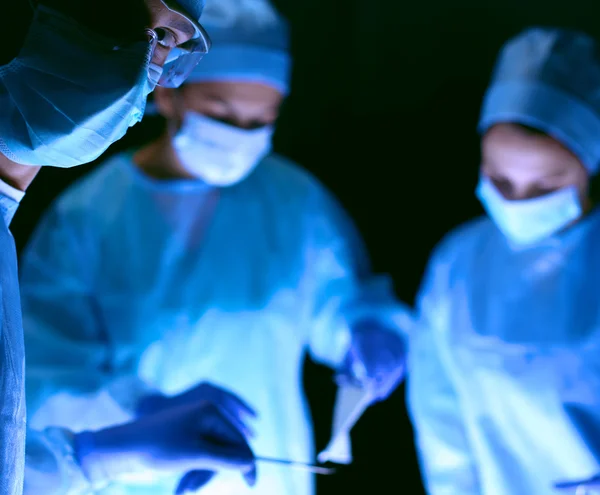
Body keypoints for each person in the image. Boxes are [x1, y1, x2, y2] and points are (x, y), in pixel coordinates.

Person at [19, 1, 409, 494]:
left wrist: (364, 332)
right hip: (131, 474)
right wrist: (139, 409)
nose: (239, 136)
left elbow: (338, 303)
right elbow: (49, 367)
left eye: (259, 120)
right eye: (220, 113)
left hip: (265, 474)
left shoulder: (294, 201)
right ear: (168, 95)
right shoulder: (90, 216)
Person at [1, 1, 258, 494]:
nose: (133, 58)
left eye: (164, 39)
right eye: (113, 16)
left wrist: (91, 459)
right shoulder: (90, 213)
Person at [407, 27, 600, 495]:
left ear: (591, 166)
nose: (518, 201)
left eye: (545, 186)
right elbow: (440, 413)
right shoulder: (459, 260)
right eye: (500, 180)